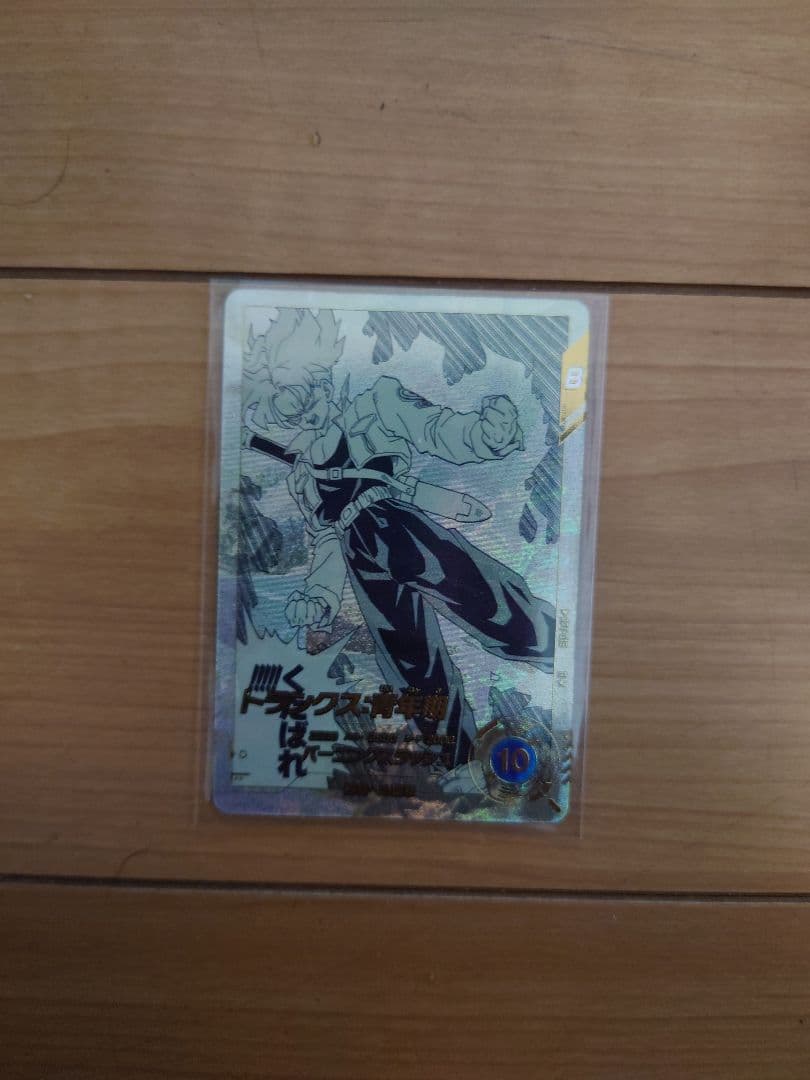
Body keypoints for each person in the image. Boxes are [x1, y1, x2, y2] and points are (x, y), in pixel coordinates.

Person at [244, 309, 555, 769]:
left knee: (493, 605)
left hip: (403, 528)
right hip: (361, 561)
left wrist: (484, 436)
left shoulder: (376, 405)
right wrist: (320, 596)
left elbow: (438, 429)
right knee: (412, 666)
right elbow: (326, 542)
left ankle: (560, 656)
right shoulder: (304, 478)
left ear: (322, 375)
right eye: (283, 401)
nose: (301, 404)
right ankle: (456, 764)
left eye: (305, 384)